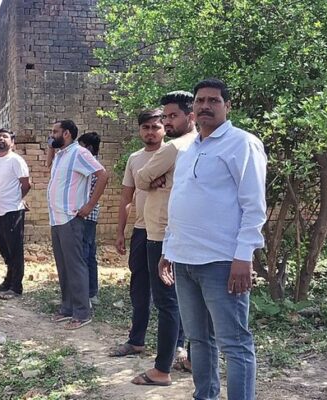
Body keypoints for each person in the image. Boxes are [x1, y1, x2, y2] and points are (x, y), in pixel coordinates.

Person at [160, 78, 267, 400]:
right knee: (198, 339)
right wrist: (169, 248)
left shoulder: (242, 144)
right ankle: (204, 395)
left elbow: (254, 206)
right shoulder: (189, 148)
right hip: (184, 260)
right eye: (200, 100)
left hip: (222, 262)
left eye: (214, 100)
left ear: (227, 106)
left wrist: (244, 256)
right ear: (193, 107)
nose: (205, 106)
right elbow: (179, 200)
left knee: (234, 343)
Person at [131, 92, 198, 386]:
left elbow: (141, 178)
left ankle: (161, 370)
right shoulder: (200, 144)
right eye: (166, 117)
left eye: (173, 116)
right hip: (187, 232)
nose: (168, 122)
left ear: (190, 116)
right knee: (191, 300)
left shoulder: (173, 147)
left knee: (167, 302)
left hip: (161, 233)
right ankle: (190, 357)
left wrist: (152, 180)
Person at [109, 109, 164, 357]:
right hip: (141, 231)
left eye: (155, 127)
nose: (150, 132)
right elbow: (126, 198)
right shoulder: (134, 159)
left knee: (169, 289)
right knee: (139, 287)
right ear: (140, 130)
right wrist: (120, 231)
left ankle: (177, 346)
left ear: (164, 129)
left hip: (165, 232)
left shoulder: (174, 155)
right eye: (146, 127)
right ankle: (136, 340)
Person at [47, 119, 108, 330]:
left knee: (75, 265)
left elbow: (103, 175)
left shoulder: (79, 153)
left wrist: (89, 205)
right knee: (63, 265)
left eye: (55, 131)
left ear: (66, 134)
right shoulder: (60, 155)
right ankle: (67, 308)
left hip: (71, 218)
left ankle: (82, 313)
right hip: (56, 218)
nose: (51, 135)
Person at [0, 128, 31, 299]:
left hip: (13, 210)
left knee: (15, 250)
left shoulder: (15, 160)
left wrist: (17, 199)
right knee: (4, 248)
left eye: (5, 136)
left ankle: (16, 287)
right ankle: (8, 281)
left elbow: (26, 184)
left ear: (12, 142)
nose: (1, 138)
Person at [77, 132, 101, 305]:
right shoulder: (95, 164)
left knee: (83, 254)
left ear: (89, 148)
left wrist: (86, 207)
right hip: (91, 215)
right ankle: (92, 292)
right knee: (90, 254)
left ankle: (84, 295)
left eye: (81, 146)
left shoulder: (90, 166)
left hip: (86, 215)